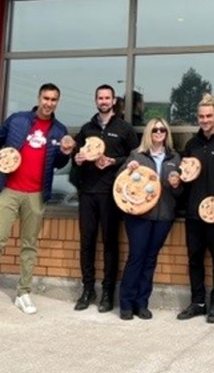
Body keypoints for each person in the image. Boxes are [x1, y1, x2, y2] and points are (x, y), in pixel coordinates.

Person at [0, 83, 74, 319]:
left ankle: (23, 292)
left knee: (29, 245)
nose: (49, 103)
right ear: (39, 98)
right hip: (8, 189)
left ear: (58, 102)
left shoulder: (59, 130)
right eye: (46, 98)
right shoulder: (17, 120)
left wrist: (66, 152)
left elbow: (58, 164)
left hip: (36, 195)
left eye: (54, 99)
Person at [70, 84, 140, 313]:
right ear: (96, 100)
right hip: (87, 193)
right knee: (87, 243)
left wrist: (113, 161)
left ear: (114, 101)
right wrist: (78, 159)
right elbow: (75, 155)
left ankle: (108, 292)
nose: (104, 101)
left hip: (111, 194)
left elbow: (135, 157)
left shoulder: (124, 128)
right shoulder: (86, 128)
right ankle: (88, 289)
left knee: (110, 244)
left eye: (107, 98)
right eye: (100, 97)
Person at [177, 93, 214, 324]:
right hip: (193, 213)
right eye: (201, 116)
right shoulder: (192, 144)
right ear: (197, 118)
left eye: (209, 116)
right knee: (194, 258)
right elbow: (185, 176)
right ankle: (198, 302)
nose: (205, 120)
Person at [116, 118, 183, 320]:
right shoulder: (137, 155)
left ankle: (141, 303)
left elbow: (180, 193)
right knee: (137, 257)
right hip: (139, 216)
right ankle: (126, 304)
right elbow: (120, 184)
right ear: (148, 132)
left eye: (163, 129)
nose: (159, 132)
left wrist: (176, 184)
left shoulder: (175, 158)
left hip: (163, 217)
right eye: (155, 129)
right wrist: (128, 169)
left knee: (150, 259)